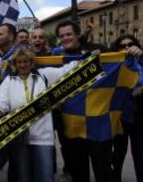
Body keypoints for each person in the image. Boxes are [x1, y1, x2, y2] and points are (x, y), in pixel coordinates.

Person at [54, 20, 142, 182]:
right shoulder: (56, 57)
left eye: (69, 34)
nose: (65, 38)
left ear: (77, 34)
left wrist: (134, 53)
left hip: (99, 125)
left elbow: (121, 62)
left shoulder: (99, 50)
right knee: (78, 173)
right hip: (72, 125)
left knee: (103, 172)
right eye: (61, 36)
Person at [0, 48, 78, 182]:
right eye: (19, 62)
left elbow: (66, 70)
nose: (22, 65)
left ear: (31, 62)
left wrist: (89, 59)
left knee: (46, 176)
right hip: (19, 138)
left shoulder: (44, 75)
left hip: (43, 138)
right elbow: (1, 106)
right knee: (24, 177)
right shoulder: (9, 81)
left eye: (26, 62)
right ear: (15, 64)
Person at [111, 35, 143, 182]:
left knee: (141, 157)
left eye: (130, 44)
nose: (127, 48)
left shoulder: (141, 60)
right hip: (119, 119)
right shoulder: (112, 66)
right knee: (117, 157)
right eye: (122, 46)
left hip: (139, 118)